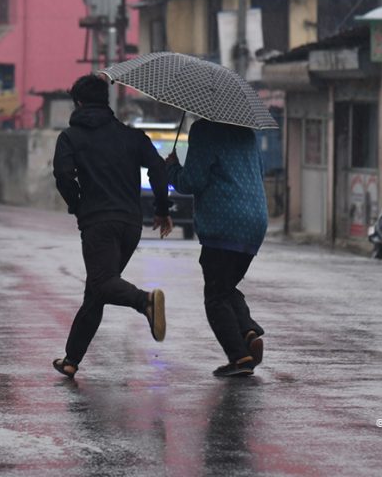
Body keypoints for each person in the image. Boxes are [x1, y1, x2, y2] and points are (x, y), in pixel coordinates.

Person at [51, 74, 173, 378]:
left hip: (98, 223)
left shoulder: (70, 137)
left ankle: (145, 300)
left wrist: (77, 204)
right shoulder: (131, 136)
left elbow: (63, 175)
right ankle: (71, 359)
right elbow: (158, 168)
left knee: (103, 281)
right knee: (97, 289)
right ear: (105, 102)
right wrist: (161, 209)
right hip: (130, 224)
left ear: (78, 103)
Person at [166, 119, 267, 377]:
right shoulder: (247, 131)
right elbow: (260, 171)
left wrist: (172, 170)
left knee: (215, 296)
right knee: (224, 286)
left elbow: (193, 181)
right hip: (255, 220)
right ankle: (247, 330)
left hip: (225, 221)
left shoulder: (204, 129)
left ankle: (239, 357)